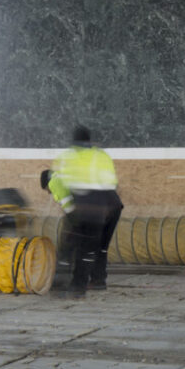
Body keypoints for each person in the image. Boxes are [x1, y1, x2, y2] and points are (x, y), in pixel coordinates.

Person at [46, 125, 123, 297]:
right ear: (89, 140)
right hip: (105, 208)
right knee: (92, 249)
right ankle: (81, 287)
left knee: (67, 248)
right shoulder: (102, 156)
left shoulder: (66, 158)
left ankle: (59, 285)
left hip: (82, 207)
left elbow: (65, 196)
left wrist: (72, 214)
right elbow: (112, 184)